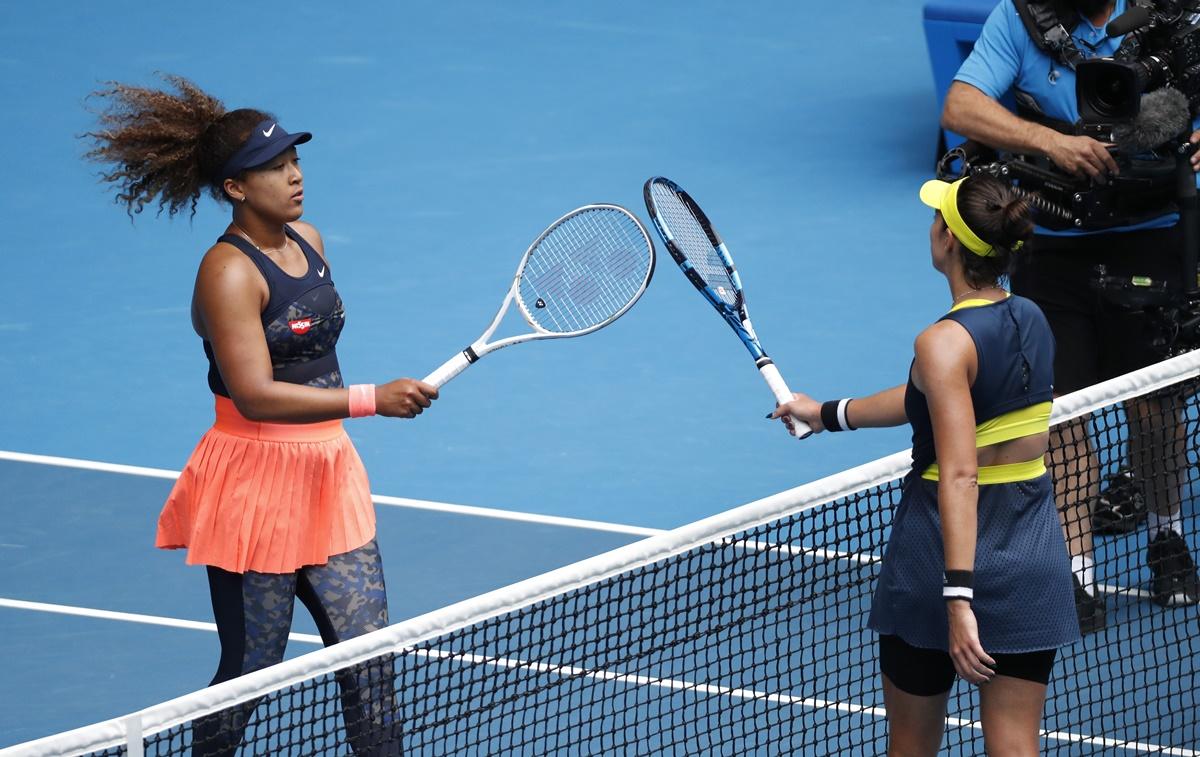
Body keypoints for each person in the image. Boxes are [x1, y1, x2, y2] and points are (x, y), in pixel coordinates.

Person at [84, 74, 437, 756]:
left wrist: (351, 410)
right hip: (255, 485)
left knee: (371, 659)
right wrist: (373, 398)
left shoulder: (310, 239)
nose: (293, 175)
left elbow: (311, 348)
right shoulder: (227, 272)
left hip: (329, 473)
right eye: (272, 168)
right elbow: (254, 393)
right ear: (235, 188)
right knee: (252, 669)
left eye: (294, 159)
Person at [773, 174, 1080, 755]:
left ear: (948, 240)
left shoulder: (941, 343)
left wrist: (958, 598)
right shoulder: (1033, 319)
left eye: (937, 216)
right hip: (1031, 551)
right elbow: (938, 399)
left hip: (938, 555)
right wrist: (828, 413)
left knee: (912, 744)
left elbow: (961, 471)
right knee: (1016, 745)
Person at [941, 0, 1200, 629]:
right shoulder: (1020, 17)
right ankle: (1077, 574)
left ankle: (1167, 537)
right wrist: (1051, 141)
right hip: (1052, 250)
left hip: (1153, 238)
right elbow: (960, 107)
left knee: (1157, 409)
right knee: (1061, 416)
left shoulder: (1171, 14)